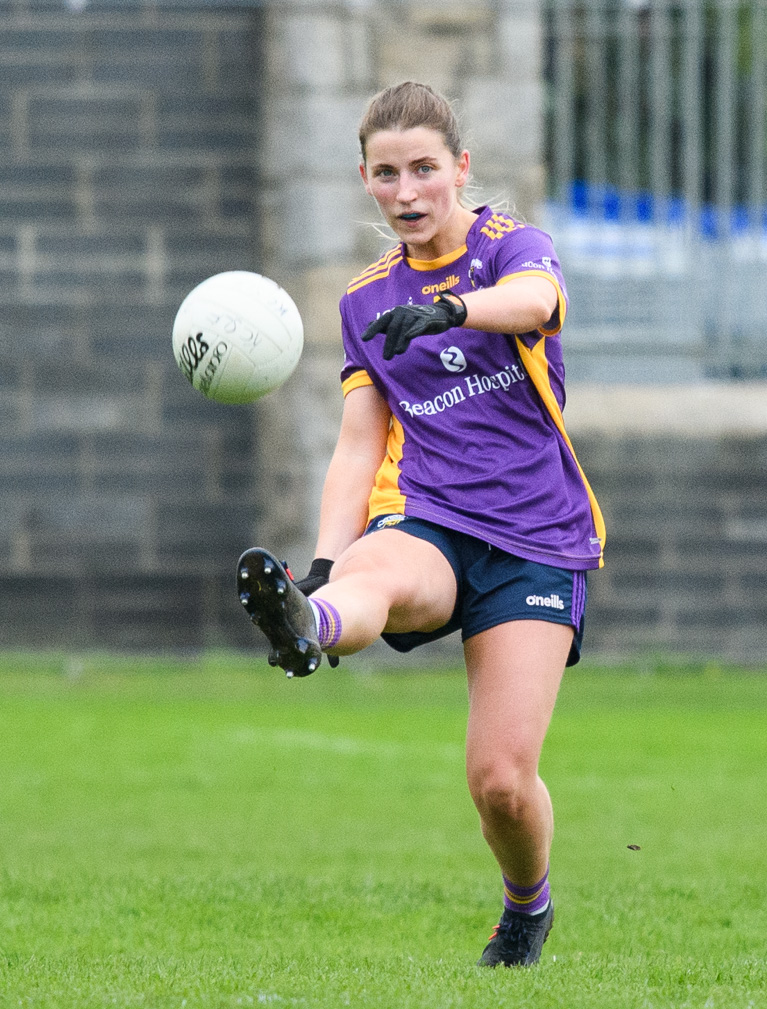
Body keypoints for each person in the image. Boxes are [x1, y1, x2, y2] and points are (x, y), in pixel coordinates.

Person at [236, 81, 606, 968]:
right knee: (369, 577)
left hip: (536, 540)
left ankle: (527, 905)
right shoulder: (365, 302)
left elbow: (533, 301)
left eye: (424, 171)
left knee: (501, 784)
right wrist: (323, 562)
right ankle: (305, 619)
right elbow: (357, 446)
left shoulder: (510, 248)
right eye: (386, 173)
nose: (406, 192)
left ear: (460, 169)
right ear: (363, 178)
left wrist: (451, 309)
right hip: (429, 515)